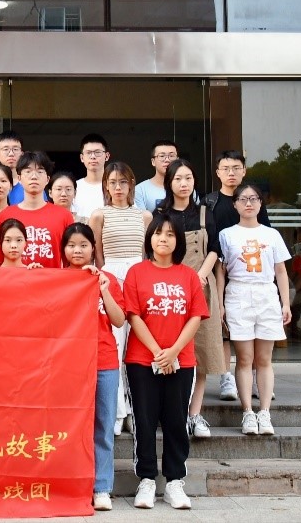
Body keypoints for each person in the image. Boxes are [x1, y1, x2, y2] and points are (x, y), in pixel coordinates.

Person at [123, 214, 207, 511]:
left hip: (181, 361)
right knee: (144, 421)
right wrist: (159, 352)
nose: (163, 239)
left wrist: (173, 352)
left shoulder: (188, 276)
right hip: (141, 360)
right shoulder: (136, 273)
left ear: (178, 241)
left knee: (176, 421)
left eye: (170, 234)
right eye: (158, 233)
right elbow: (133, 316)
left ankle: (174, 481)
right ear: (150, 238)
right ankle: (146, 479)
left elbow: (195, 316)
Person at [155, 159, 224, 441]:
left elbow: (215, 249)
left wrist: (200, 276)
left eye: (188, 178)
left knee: (200, 354)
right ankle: (174, 414)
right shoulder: (161, 213)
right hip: (169, 290)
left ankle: (195, 414)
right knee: (170, 349)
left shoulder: (206, 212)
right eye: (178, 179)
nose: (184, 184)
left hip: (201, 287)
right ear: (169, 182)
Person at [218, 184, 292, 437]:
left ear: (261, 203)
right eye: (243, 199)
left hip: (266, 294)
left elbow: (280, 270)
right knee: (244, 358)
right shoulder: (226, 235)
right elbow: (221, 272)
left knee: (264, 359)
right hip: (238, 294)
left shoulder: (272, 235)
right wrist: (220, 305)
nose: (248, 203)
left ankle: (265, 412)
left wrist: (285, 302)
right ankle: (248, 412)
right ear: (235, 204)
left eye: (253, 199)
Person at [61, 223, 124, 513]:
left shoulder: (106, 279)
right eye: (71, 245)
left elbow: (119, 320)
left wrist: (103, 290)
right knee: (68, 426)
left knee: (103, 425)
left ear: (93, 248)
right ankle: (71, 485)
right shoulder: (56, 280)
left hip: (104, 361)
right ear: (63, 249)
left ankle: (101, 487)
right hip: (67, 365)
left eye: (83, 245)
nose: (77, 250)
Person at [89, 162, 152, 438]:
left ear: (131, 184)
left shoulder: (145, 216)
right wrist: (105, 281)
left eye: (123, 182)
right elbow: (97, 253)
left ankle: (134, 410)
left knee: (136, 347)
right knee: (114, 345)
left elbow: (146, 253)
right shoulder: (99, 215)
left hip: (138, 277)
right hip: (110, 278)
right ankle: (116, 412)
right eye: (112, 182)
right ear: (105, 185)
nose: (118, 187)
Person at [205, 150, 273, 402]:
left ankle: (256, 379)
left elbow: (266, 237)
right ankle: (226, 378)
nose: (231, 173)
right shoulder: (210, 202)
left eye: (236, 168)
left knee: (255, 332)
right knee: (223, 328)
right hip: (219, 270)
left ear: (244, 171)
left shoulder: (252, 200)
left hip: (251, 273)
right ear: (218, 172)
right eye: (226, 168)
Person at [0, 152, 74, 268]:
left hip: (51, 279)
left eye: (40, 171)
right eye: (28, 171)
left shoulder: (64, 216)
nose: (34, 176)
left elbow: (71, 263)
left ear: (47, 179)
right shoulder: (4, 216)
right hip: (15, 279)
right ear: (19, 178)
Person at [71, 133, 111, 219]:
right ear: (82, 158)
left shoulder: (115, 187)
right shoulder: (73, 187)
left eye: (98, 152)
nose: (93, 156)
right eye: (88, 153)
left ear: (107, 156)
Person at [134, 140, 179, 212]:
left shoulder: (186, 188)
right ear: (153, 161)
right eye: (162, 156)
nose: (167, 160)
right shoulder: (140, 190)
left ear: (177, 160)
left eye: (171, 156)